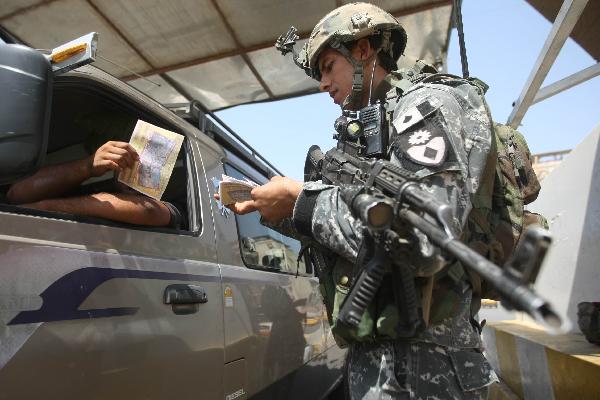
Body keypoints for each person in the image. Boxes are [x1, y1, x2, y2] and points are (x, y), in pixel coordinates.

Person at [223, 3, 497, 399]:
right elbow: (360, 235)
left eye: (329, 66)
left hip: (426, 365)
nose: (322, 83)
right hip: (383, 356)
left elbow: (424, 237)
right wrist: (280, 211)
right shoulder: (374, 132)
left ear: (364, 49)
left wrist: (302, 202)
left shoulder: (425, 107)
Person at [7, 140, 183, 228]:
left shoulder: (173, 206)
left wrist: (43, 208)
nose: (135, 169)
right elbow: (16, 194)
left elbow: (150, 211)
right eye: (126, 162)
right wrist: (88, 166)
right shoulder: (96, 189)